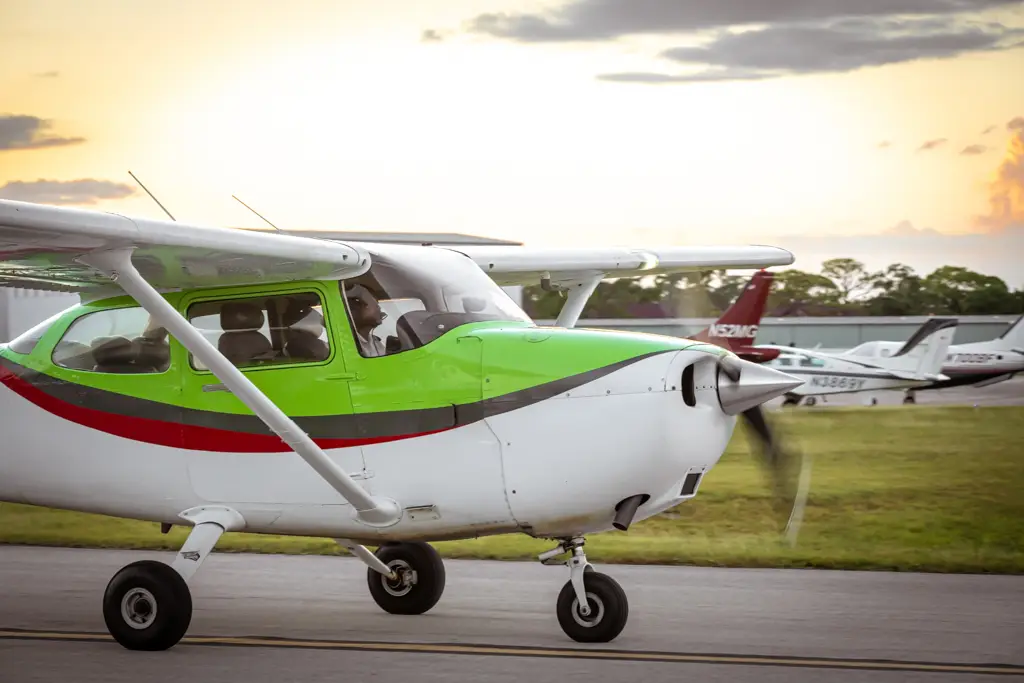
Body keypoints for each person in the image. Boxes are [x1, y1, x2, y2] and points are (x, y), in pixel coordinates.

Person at [345, 283, 387, 357]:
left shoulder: (377, 343)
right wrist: (361, 291)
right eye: (373, 304)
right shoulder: (345, 345)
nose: (379, 308)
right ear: (353, 310)